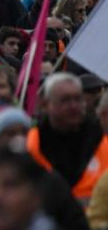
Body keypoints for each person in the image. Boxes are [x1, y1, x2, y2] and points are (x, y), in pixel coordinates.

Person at [25, 73, 108, 205]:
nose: (73, 106)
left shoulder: (102, 143)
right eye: (65, 100)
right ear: (46, 105)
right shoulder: (30, 143)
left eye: (77, 99)